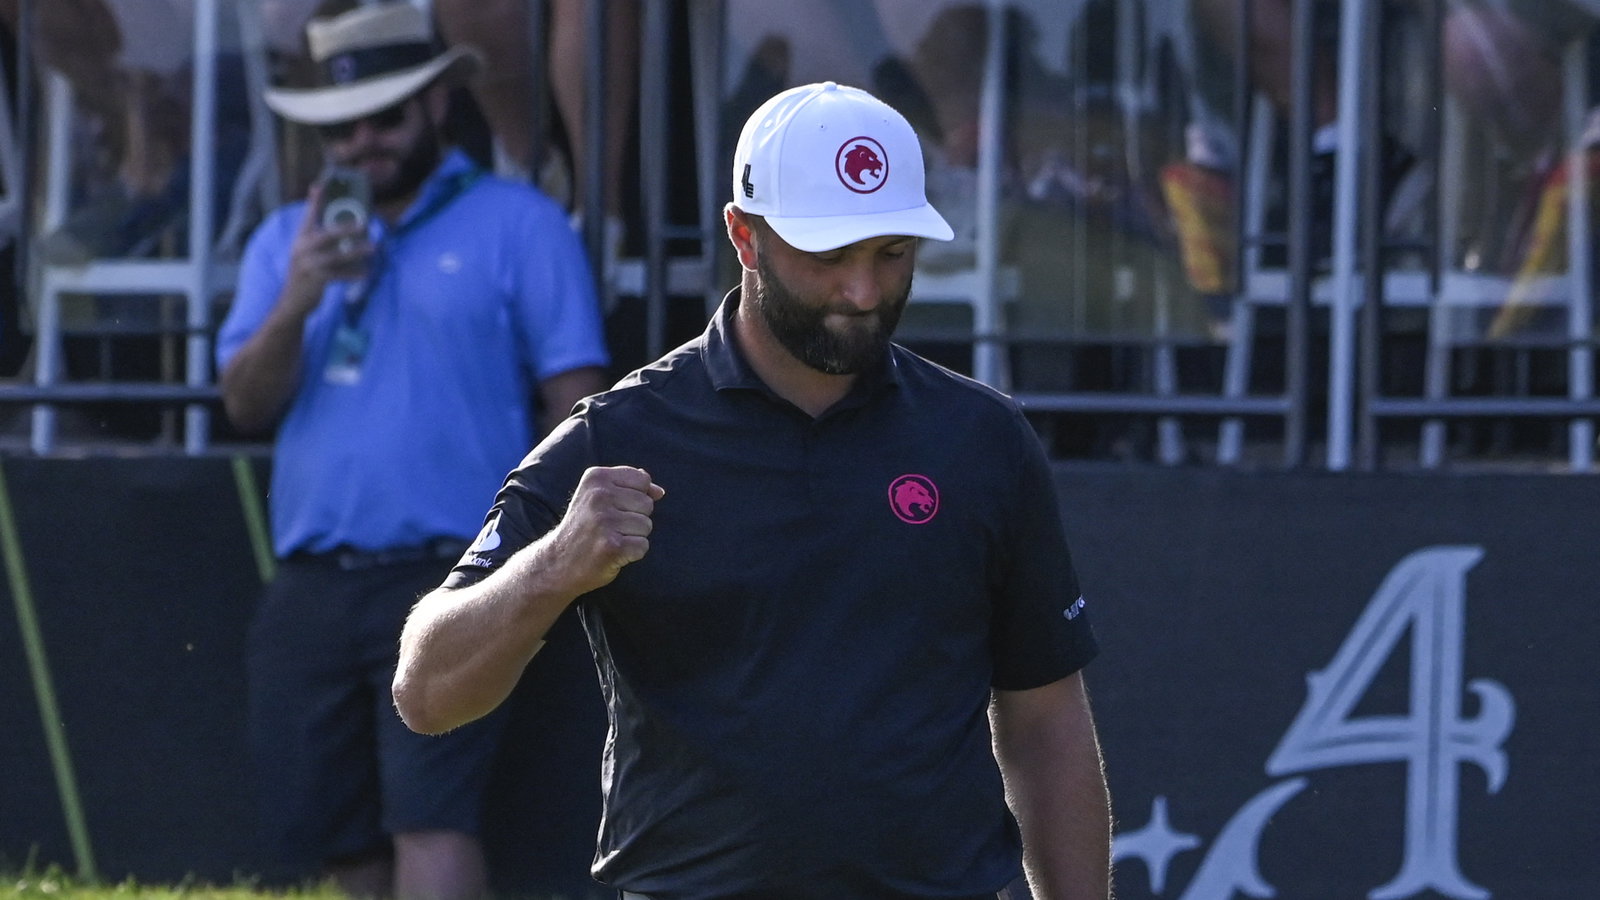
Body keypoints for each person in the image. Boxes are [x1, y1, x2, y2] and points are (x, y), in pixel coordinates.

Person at [392, 81, 1112, 899]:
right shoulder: (619, 437)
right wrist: (554, 566)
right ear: (744, 235)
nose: (863, 292)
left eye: (891, 253)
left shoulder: (983, 439)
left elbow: (1046, 720)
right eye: (828, 256)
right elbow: (427, 691)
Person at [214, 3, 610, 897]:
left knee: (433, 817)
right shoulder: (285, 241)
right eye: (341, 128)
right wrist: (297, 299)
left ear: (437, 104)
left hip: (456, 571)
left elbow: (577, 406)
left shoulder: (520, 223)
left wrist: (549, 558)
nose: (363, 144)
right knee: (334, 831)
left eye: (385, 117)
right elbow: (243, 404)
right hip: (312, 578)